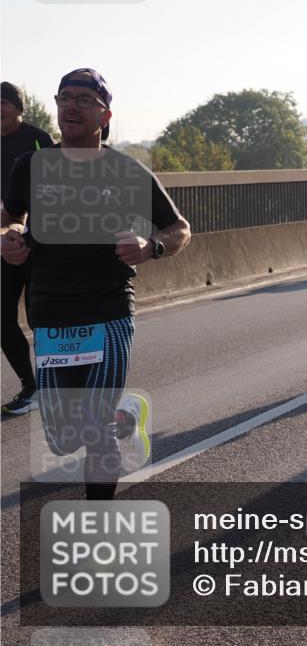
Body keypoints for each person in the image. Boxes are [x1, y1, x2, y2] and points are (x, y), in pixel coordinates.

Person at [1, 68, 191, 498]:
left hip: (108, 312)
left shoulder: (125, 171)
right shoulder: (30, 166)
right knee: (65, 438)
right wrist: (7, 239)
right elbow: (9, 218)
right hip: (50, 314)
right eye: (65, 97)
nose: (72, 106)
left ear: (105, 116)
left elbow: (178, 227)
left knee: (93, 429)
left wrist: (151, 247)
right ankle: (123, 417)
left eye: (86, 100)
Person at [1, 82, 55, 414]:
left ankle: (55, 385)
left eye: (4, 104)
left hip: (39, 243)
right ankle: (31, 387)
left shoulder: (39, 140)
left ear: (18, 108)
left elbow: (61, 188)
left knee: (42, 319)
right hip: (6, 243)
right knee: (2, 319)